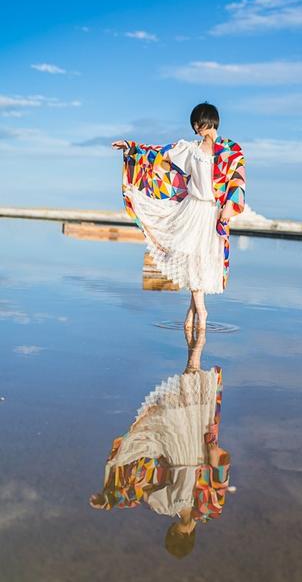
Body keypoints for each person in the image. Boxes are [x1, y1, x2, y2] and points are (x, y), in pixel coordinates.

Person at [89, 333, 233, 559]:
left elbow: (138, 492)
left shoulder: (166, 508)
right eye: (175, 533)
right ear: (183, 535)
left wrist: (110, 499)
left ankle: (196, 336)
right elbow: (220, 473)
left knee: (186, 390)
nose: (174, 529)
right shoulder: (209, 510)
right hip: (197, 448)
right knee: (191, 389)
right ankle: (197, 335)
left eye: (172, 532)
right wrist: (213, 444)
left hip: (176, 449)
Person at [111, 102, 246, 337]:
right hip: (192, 209)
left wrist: (229, 209)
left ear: (210, 121)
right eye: (194, 123)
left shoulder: (231, 150)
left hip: (213, 212)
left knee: (202, 261)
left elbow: (238, 180)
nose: (196, 126)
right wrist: (132, 148)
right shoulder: (189, 149)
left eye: (199, 122)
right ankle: (199, 314)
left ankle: (194, 314)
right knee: (191, 260)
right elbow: (158, 154)